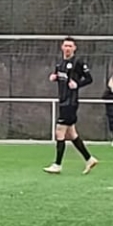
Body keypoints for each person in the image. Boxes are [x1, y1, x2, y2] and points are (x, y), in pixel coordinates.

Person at [45, 37, 98, 174]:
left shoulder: (78, 62)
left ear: (74, 48)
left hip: (70, 102)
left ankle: (57, 164)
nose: (67, 48)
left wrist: (77, 84)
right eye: (66, 46)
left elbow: (89, 79)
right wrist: (54, 77)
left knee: (59, 132)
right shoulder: (60, 63)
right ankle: (89, 159)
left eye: (70, 46)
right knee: (72, 134)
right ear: (62, 47)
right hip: (63, 101)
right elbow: (59, 76)